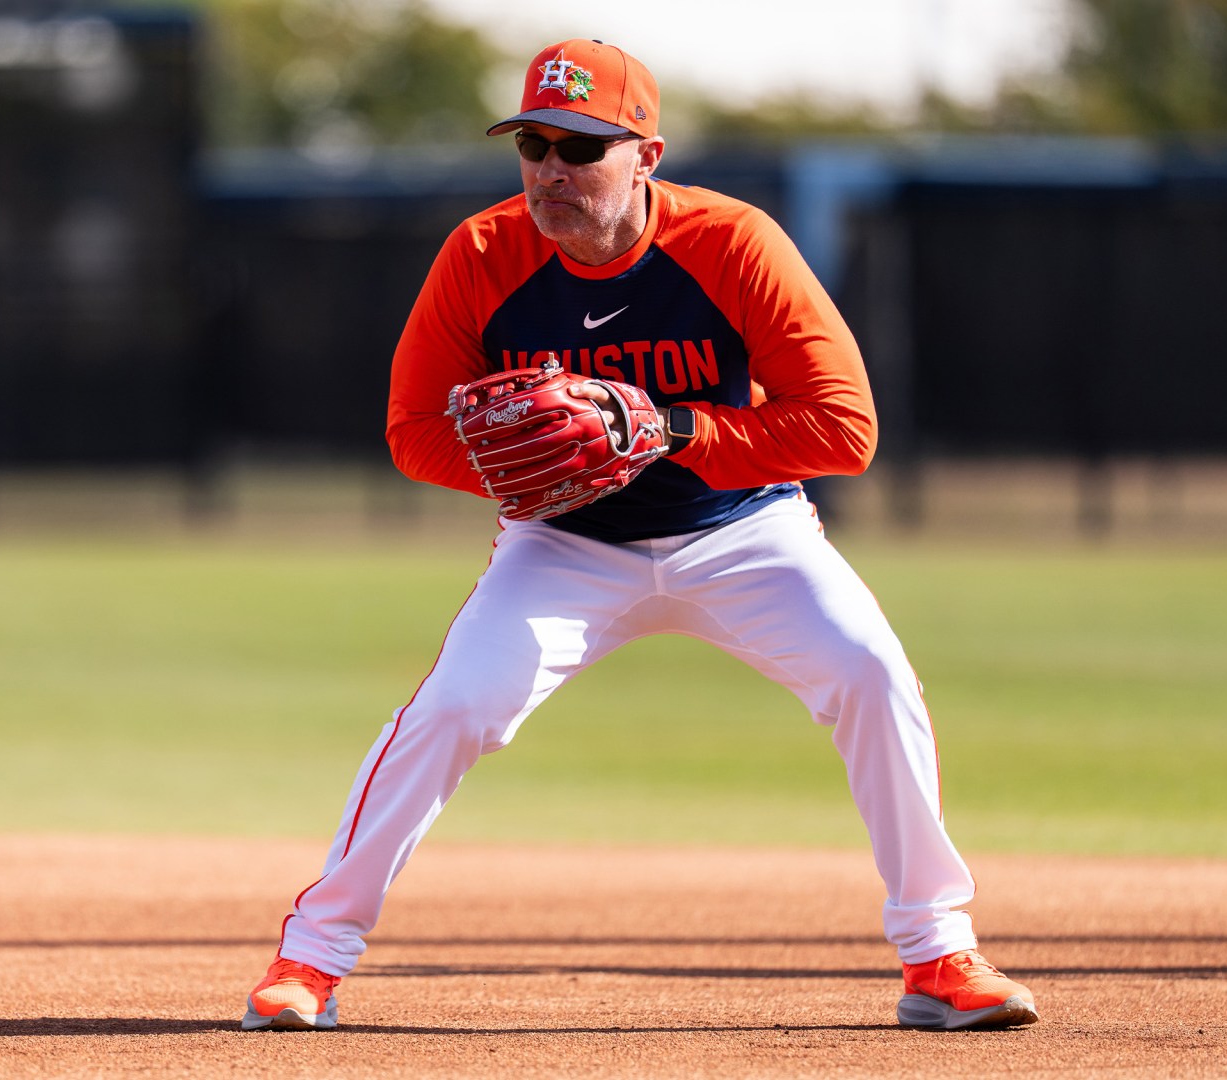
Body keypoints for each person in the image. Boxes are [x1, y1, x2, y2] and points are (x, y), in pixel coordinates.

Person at [241, 38, 1037, 1034]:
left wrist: (668, 428)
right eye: (532, 144)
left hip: (740, 531)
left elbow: (846, 427)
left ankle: (937, 954)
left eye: (580, 148)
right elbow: (412, 434)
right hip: (562, 544)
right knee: (454, 708)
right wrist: (521, 469)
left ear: (646, 157)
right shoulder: (483, 255)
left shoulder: (734, 244)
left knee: (870, 671)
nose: (549, 172)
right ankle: (309, 960)